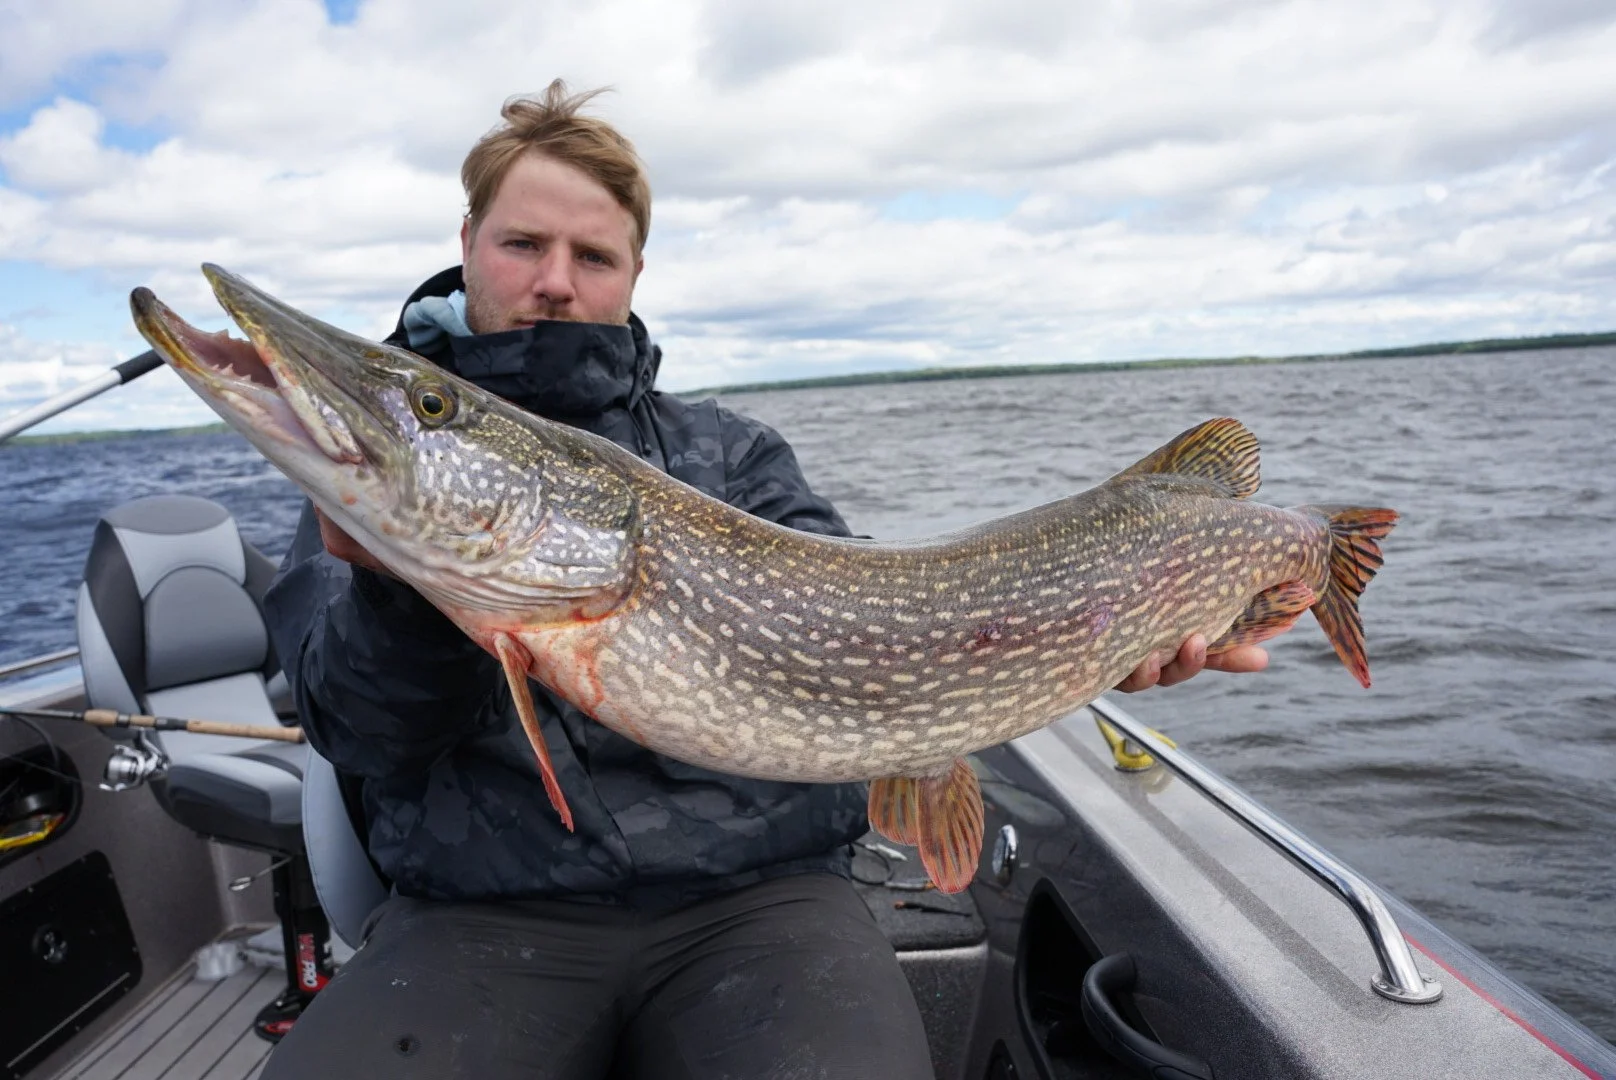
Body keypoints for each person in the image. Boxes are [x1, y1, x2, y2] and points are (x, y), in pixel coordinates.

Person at [259, 81, 1266, 1080]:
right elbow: (356, 734)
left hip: (761, 906)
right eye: (523, 244)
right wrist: (404, 589)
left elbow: (888, 619)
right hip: (477, 915)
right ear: (470, 239)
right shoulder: (377, 478)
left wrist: (1102, 636)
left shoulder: (731, 455)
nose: (555, 281)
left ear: (633, 272)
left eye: (592, 255)